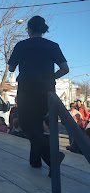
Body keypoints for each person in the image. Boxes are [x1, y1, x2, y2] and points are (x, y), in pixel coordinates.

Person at [8, 16, 69, 176]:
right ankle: (35, 161)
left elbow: (11, 68)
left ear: (28, 29)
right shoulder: (52, 46)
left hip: (27, 89)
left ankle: (52, 158)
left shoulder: (21, 45)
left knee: (27, 125)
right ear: (43, 29)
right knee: (38, 126)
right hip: (47, 91)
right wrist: (51, 77)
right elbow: (65, 68)